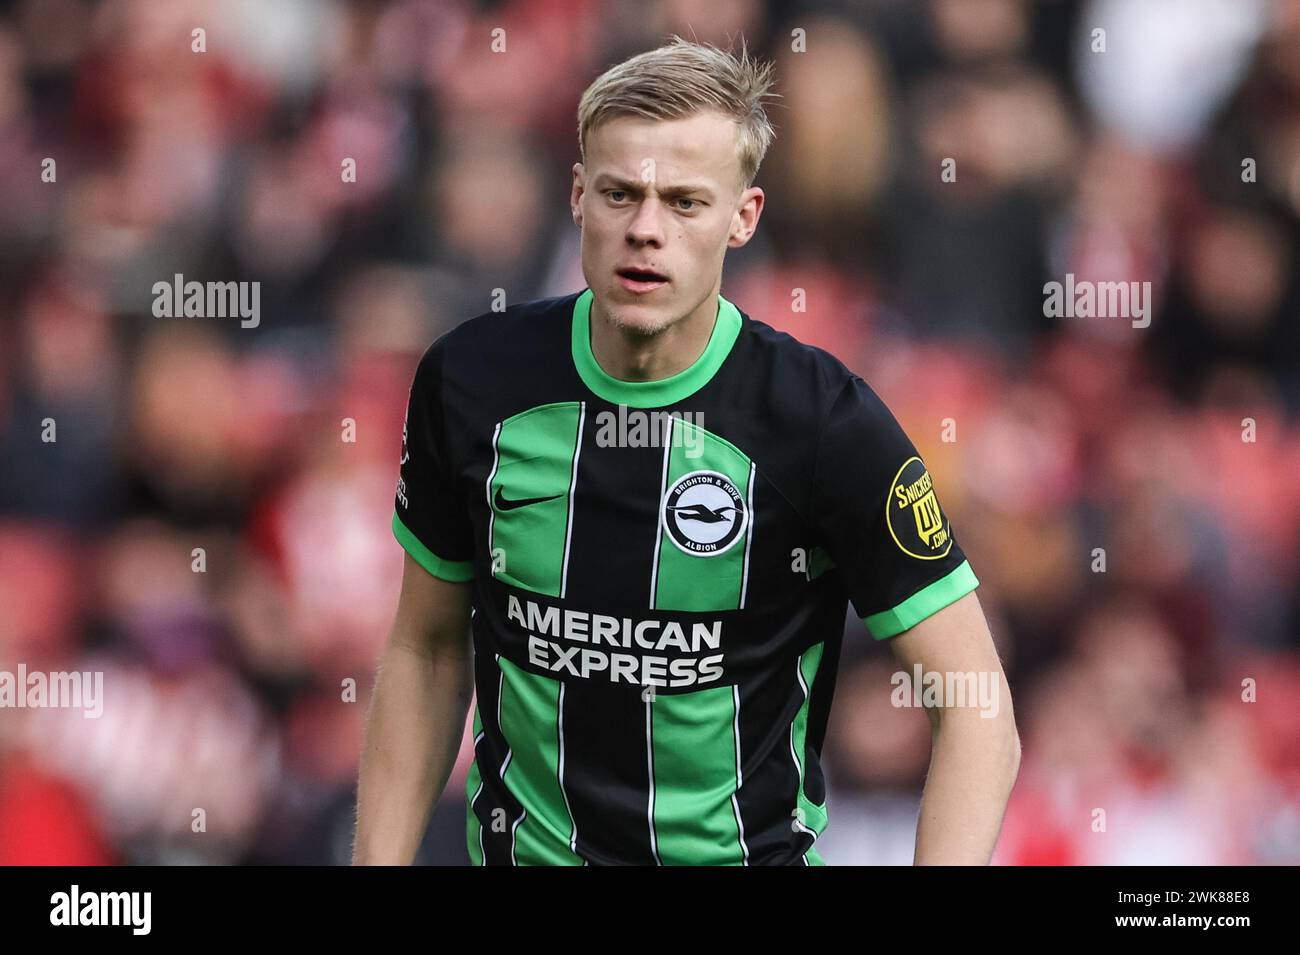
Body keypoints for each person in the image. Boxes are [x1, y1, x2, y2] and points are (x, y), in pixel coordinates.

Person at [353, 36, 1020, 866]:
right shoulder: (471, 383)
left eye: (685, 203)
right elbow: (425, 647)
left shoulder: (822, 424)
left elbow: (975, 701)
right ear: (577, 198)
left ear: (744, 218)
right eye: (620, 194)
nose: (645, 230)